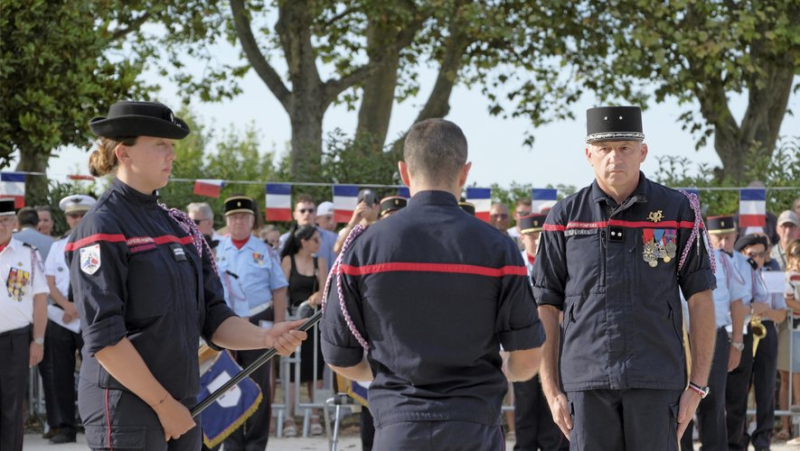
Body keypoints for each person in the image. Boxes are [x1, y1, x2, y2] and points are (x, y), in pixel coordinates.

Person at [66, 101, 307, 451]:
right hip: (128, 405)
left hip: (182, 400)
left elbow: (213, 315)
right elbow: (104, 339)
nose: (171, 155)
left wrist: (266, 336)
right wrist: (164, 406)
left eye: (172, 145)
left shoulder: (177, 226)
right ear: (124, 153)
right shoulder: (102, 225)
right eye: (160, 144)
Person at [322, 118, 545, 451]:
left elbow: (339, 356)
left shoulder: (365, 247)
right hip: (474, 427)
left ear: (403, 172)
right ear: (465, 172)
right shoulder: (498, 246)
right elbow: (527, 358)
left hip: (398, 425)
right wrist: (500, 375)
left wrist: (383, 380)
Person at [533, 106, 717, 450]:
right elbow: (545, 304)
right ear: (589, 154)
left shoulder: (677, 211)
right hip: (587, 382)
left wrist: (697, 385)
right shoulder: (564, 218)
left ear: (642, 152)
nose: (614, 157)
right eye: (604, 149)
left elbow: (701, 298)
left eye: (624, 148)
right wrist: (552, 390)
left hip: (656, 378)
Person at [215, 195, 290, 451]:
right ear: (226, 221)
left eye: (243, 217)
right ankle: (232, 441)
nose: (238, 222)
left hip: (258, 322)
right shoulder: (216, 250)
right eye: (233, 218)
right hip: (225, 322)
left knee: (259, 384)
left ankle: (256, 443)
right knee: (228, 384)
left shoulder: (264, 250)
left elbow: (279, 289)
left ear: (252, 221)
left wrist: (280, 325)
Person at [679, 216, 748, 451]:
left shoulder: (722, 260)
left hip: (712, 338)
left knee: (713, 401)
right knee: (677, 402)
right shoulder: (666, 253)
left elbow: (738, 303)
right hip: (676, 339)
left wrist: (737, 344)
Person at [40, 194, 96, 444]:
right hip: (62, 317)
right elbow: (49, 281)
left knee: (96, 373)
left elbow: (98, 282)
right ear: (67, 218)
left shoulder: (98, 244)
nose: (78, 219)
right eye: (73, 215)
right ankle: (64, 426)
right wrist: (67, 305)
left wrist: (79, 308)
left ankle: (96, 422)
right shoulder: (56, 246)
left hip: (89, 318)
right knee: (57, 373)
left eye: (83, 214)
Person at [711, 218, 771, 451]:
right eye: (718, 238)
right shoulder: (702, 260)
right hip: (711, 335)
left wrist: (744, 309)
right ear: (709, 237)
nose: (723, 242)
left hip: (740, 335)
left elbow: (761, 299)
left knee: (736, 398)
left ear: (735, 236)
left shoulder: (746, 264)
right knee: (712, 398)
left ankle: (734, 445)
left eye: (728, 237)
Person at [513, 213, 568, 451]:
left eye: (541, 236)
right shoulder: (515, 266)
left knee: (551, 409)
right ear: (522, 238)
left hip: (554, 342)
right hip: (524, 342)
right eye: (531, 237)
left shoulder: (560, 265)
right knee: (525, 409)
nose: (536, 242)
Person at [0, 198, 48, 451]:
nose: (1, 225)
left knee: (12, 407)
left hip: (14, 341)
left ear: (15, 223)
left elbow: (40, 299)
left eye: (6, 220)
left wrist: (37, 340)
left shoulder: (27, 254)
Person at [735, 233, 786, 451]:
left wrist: (766, 310)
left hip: (766, 331)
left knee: (765, 388)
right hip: (743, 331)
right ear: (743, 254)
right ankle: (738, 437)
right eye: (751, 254)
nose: (757, 258)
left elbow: (782, 314)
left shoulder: (772, 276)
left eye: (761, 254)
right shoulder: (737, 275)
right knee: (739, 388)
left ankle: (763, 439)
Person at [280, 224, 329, 437]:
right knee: (291, 371)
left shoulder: (321, 262)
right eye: (316, 239)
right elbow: (281, 290)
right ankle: (289, 417)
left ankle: (315, 414)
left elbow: (325, 288)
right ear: (304, 241)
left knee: (315, 369)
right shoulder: (288, 261)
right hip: (293, 321)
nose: (319, 243)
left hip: (315, 323)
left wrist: (318, 296)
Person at [777, 239, 800, 441]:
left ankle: (797, 427)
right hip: (788, 330)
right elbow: (787, 301)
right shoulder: (787, 276)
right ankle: (787, 426)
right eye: (795, 256)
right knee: (787, 378)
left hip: (795, 330)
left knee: (796, 377)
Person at [279, 195, 337, 272]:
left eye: (310, 211)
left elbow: (334, 268)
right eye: (302, 211)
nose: (307, 214)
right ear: (295, 215)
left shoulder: (330, 238)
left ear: (316, 214)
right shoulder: (285, 239)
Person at [334, 189, 380, 254]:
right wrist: (353, 222)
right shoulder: (351, 231)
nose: (365, 206)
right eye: (362, 202)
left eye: (370, 203)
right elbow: (337, 249)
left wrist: (373, 220)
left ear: (378, 206)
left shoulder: (382, 228)